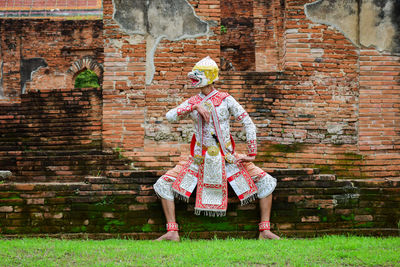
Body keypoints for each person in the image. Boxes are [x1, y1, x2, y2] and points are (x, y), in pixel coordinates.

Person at [153, 56, 279, 241]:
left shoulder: (226, 99)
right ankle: (172, 232)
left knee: (266, 182)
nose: (193, 78)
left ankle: (265, 231)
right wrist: (194, 107)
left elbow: (248, 123)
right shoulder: (192, 101)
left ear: (210, 77)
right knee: (163, 184)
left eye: (198, 74)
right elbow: (170, 116)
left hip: (228, 159)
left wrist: (251, 154)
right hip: (198, 160)